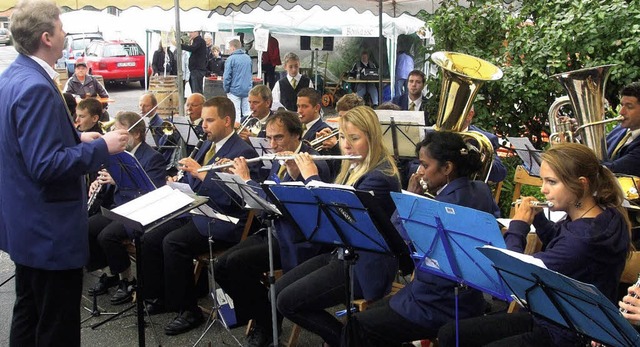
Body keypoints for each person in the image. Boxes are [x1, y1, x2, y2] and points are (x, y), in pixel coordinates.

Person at [0, 1, 128, 345]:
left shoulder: (13, 76)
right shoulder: (36, 87)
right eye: (60, 27)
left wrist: (76, 138)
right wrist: (102, 147)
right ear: (46, 37)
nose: (65, 32)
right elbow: (45, 165)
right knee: (56, 326)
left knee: (29, 315)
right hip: (49, 231)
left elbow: (23, 145)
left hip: (27, 226)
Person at [438, 142, 632, 347]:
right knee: (451, 333)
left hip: (568, 333)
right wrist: (539, 220)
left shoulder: (583, 240)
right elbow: (561, 241)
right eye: (543, 180)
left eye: (551, 182)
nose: (544, 189)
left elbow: (513, 271)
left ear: (581, 183)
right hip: (554, 317)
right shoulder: (604, 215)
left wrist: (518, 227)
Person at [349, 131, 500, 347]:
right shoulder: (481, 190)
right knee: (372, 316)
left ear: (447, 168)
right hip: (469, 299)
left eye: (425, 165)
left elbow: (395, 239)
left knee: (358, 325)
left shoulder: (438, 207)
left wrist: (411, 196)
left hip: (435, 301)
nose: (420, 172)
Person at [275, 106, 403, 347]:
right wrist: (297, 174)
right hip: (343, 254)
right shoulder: (353, 167)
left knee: (287, 302)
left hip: (367, 265)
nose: (345, 145)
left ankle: (348, 341)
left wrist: (312, 178)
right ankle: (349, 339)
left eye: (354, 138)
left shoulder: (380, 177)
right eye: (343, 137)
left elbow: (346, 218)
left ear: (372, 138)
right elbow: (326, 215)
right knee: (278, 291)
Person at [141, 96, 261, 336]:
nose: (203, 126)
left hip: (223, 220)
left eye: (209, 120)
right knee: (150, 235)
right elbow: (193, 179)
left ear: (227, 121)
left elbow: (237, 199)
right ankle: (163, 295)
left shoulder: (242, 151)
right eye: (203, 120)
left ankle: (188, 309)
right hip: (197, 209)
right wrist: (179, 181)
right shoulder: (208, 145)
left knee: (173, 242)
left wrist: (200, 175)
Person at [216, 110, 332, 347]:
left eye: (278, 138)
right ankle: (265, 315)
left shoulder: (313, 161)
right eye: (268, 138)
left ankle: (266, 324)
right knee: (220, 266)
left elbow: (289, 207)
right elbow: (267, 200)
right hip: (274, 229)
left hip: (299, 240)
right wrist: (236, 180)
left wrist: (247, 181)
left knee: (238, 263)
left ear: (297, 135)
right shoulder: (278, 158)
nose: (272, 145)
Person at [85, 111, 166, 304]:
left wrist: (117, 180)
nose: (114, 136)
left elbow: (152, 192)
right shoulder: (117, 154)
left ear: (136, 134)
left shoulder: (153, 157)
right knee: (87, 227)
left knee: (107, 236)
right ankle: (110, 272)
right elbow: (110, 187)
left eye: (119, 132)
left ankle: (127, 280)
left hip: (140, 211)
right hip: (119, 206)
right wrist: (100, 184)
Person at [604, 81, 640, 177]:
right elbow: (599, 152)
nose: (621, 112)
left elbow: (611, 170)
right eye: (622, 105)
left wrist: (575, 153)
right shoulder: (619, 129)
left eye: (629, 106)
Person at [223, 38, 252, 118]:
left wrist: (226, 89)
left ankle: (237, 130)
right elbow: (250, 73)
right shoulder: (248, 58)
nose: (228, 50)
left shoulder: (230, 59)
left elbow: (227, 77)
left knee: (236, 114)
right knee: (247, 113)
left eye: (229, 48)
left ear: (233, 47)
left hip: (234, 90)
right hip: (247, 90)